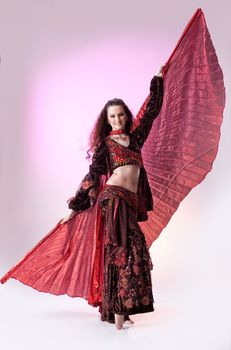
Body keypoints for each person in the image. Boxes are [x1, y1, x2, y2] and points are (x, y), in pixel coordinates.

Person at [59, 66, 164, 330]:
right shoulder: (107, 146)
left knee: (129, 249)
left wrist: (158, 80)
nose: (117, 119)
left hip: (129, 201)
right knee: (125, 249)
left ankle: (120, 311)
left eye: (120, 115)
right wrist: (74, 208)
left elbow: (151, 113)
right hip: (114, 200)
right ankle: (119, 313)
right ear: (107, 121)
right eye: (112, 117)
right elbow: (93, 175)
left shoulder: (136, 139)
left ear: (126, 117)